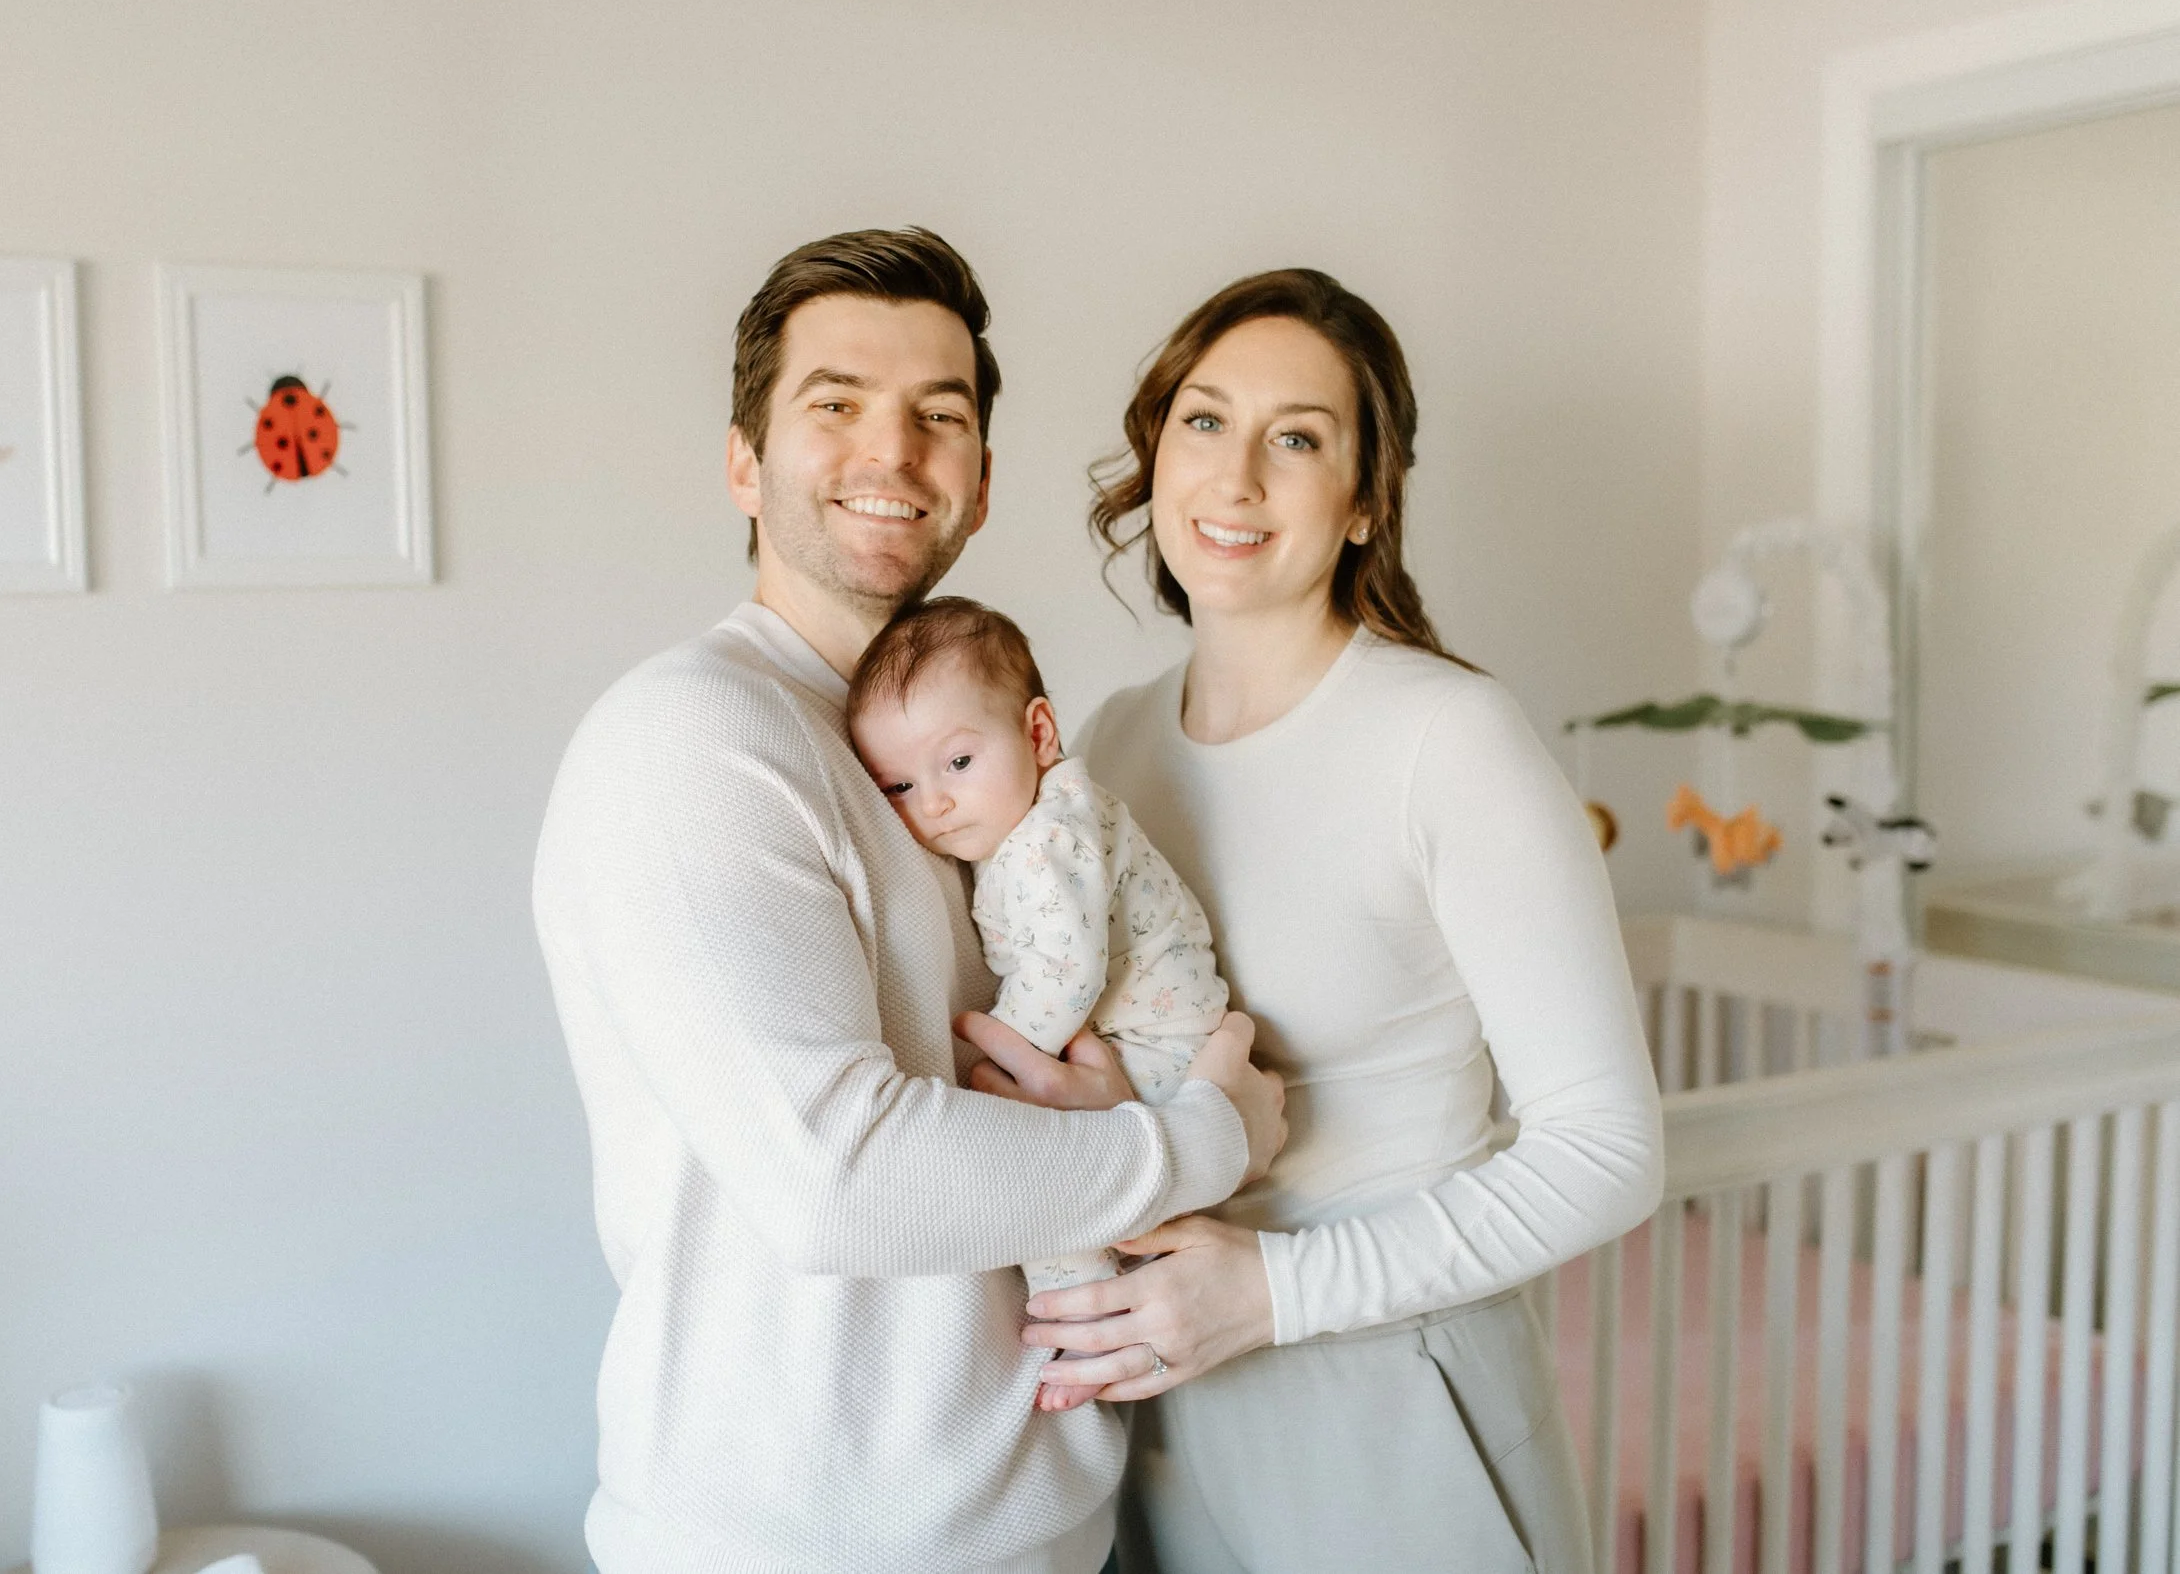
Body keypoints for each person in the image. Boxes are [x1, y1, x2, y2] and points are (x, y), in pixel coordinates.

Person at [531, 228, 1286, 1574]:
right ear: (743, 462)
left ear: (981, 484)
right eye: (836, 404)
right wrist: (1205, 1137)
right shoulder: (694, 739)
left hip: (1040, 1504)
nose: (894, 450)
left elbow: (1007, 1080)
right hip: (806, 1540)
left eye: (939, 415)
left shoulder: (949, 761)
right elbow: (842, 1179)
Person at [996, 269, 1663, 1573]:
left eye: (1296, 437)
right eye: (1204, 420)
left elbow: (1608, 1148)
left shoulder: (1448, 740)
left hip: (1390, 1381)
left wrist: (1275, 1290)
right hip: (1168, 1386)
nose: (1235, 475)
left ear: (1365, 500)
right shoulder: (1110, 745)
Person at [846, 596, 1230, 1408]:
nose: (935, 803)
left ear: (1039, 734)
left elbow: (1065, 974)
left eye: (957, 763)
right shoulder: (1025, 823)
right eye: (901, 785)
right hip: (1151, 1036)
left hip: (1157, 1040)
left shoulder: (1048, 836)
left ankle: (1085, 1340)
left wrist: (984, 1065)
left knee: (1055, 1201)